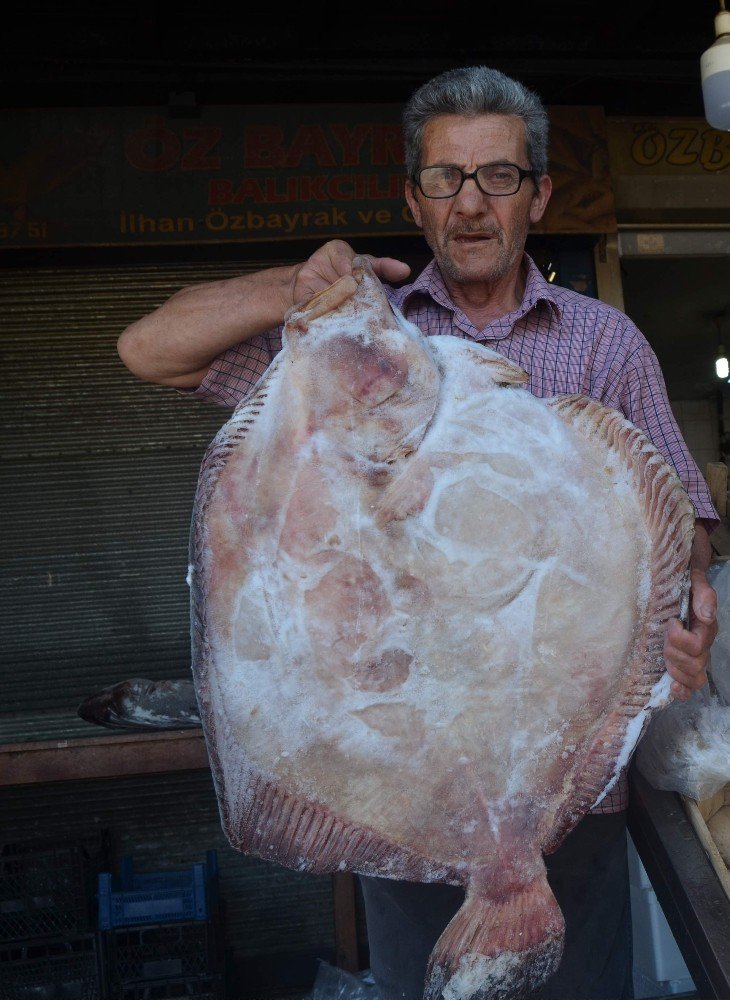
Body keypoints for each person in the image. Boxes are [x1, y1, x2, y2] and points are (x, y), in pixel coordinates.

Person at [117, 65, 719, 1000]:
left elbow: (680, 521)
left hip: (576, 793)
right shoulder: (347, 347)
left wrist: (684, 609)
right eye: (446, 177)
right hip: (400, 804)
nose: (471, 204)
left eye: (499, 176)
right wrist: (300, 288)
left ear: (539, 194)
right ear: (413, 195)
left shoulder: (605, 343)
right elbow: (147, 350)